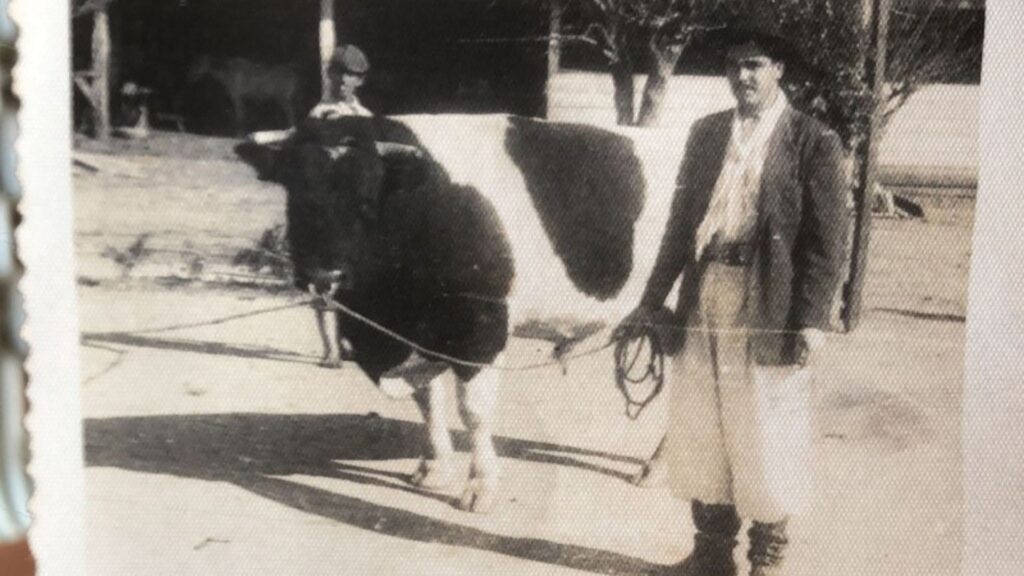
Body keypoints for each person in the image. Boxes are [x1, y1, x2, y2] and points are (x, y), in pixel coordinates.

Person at [616, 23, 848, 576]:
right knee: (703, 427)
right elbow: (679, 225)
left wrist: (812, 319)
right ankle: (712, 557)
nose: (742, 75)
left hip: (770, 301)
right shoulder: (706, 133)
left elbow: (828, 241)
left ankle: (766, 562)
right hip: (707, 291)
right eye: (734, 65)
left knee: (766, 429)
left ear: (778, 70)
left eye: (755, 64)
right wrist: (652, 299)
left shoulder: (813, 141)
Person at [309, 44, 373, 119]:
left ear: (360, 80)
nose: (343, 79)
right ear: (330, 73)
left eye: (350, 74)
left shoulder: (366, 115)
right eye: (339, 72)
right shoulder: (320, 113)